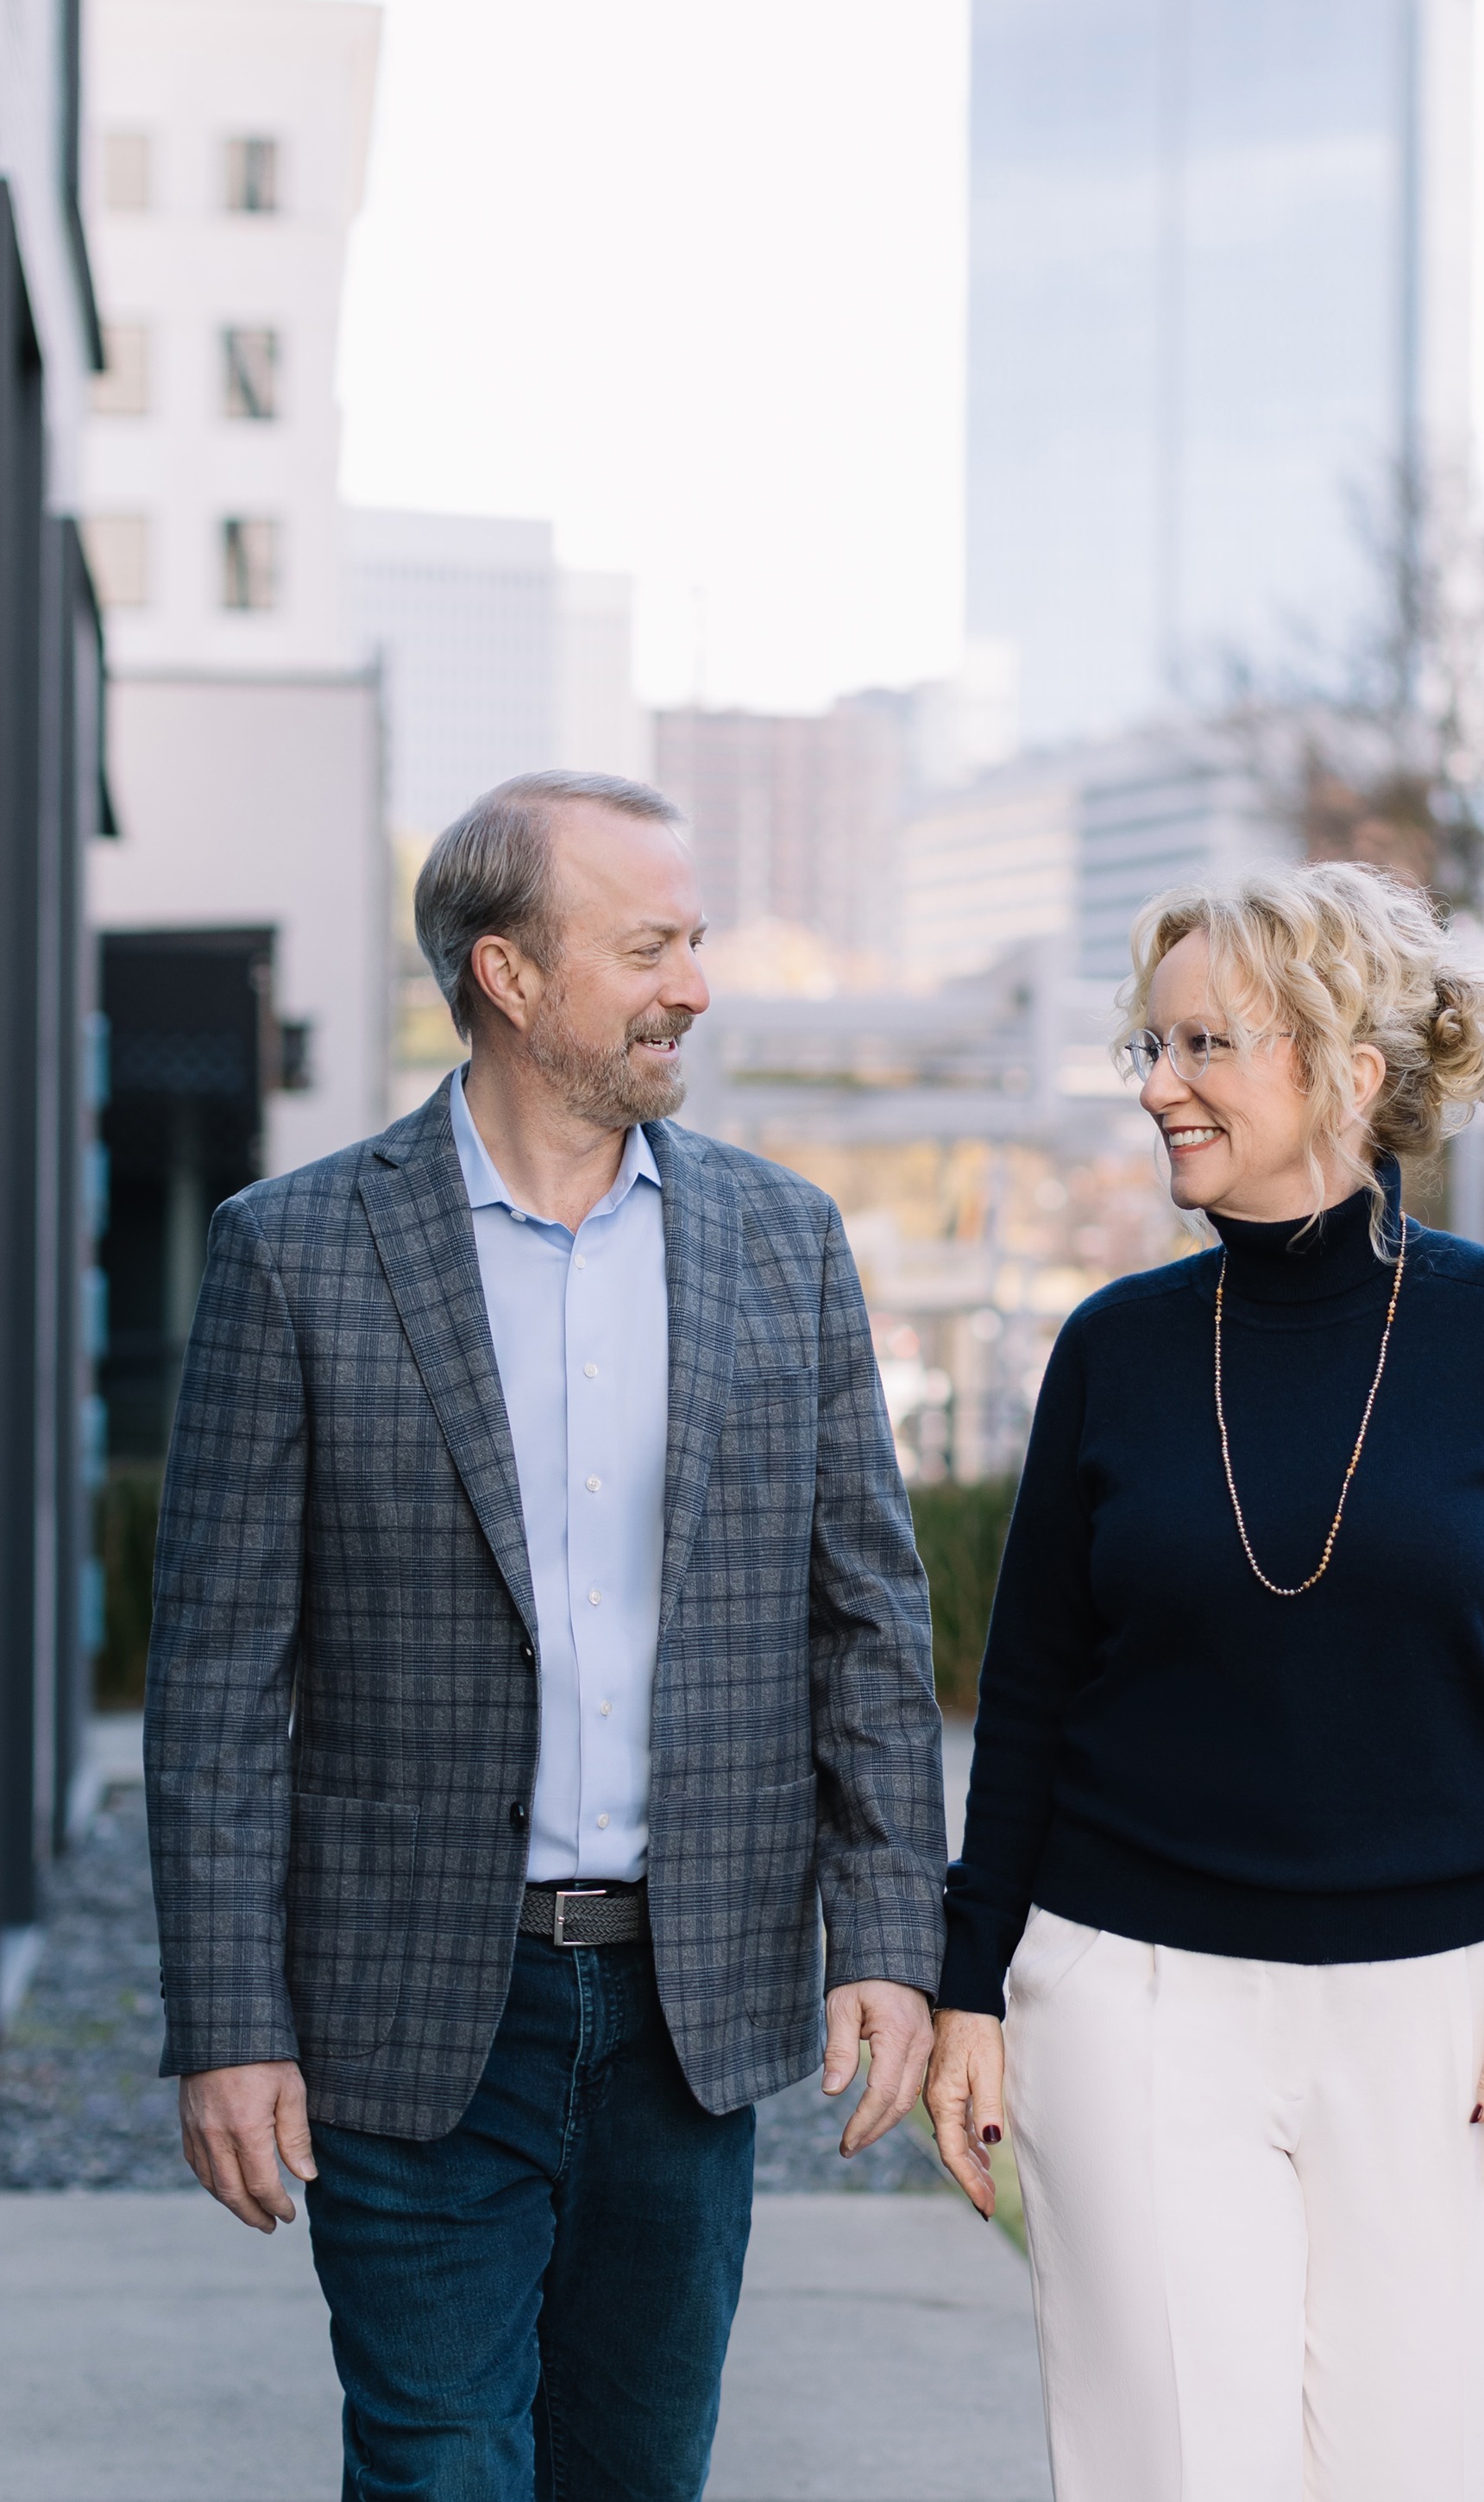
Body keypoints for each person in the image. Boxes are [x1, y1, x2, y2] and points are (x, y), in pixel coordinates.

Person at [145, 770, 946, 2502]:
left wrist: (890, 1928)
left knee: (634, 2469)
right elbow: (215, 1685)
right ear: (508, 975)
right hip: (415, 2005)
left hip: (694, 1996)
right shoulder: (293, 1255)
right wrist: (227, 2016)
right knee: (437, 2464)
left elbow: (866, 1614)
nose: (695, 984)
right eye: (651, 943)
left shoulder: (779, 1244)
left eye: (696, 940)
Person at [924, 860, 1484, 2502]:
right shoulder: (1111, 1347)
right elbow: (1027, 1691)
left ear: (1349, 1068)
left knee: (1410, 2470)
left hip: (1439, 2010)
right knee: (1175, 2471)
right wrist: (971, 1981)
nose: (1161, 1087)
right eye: (1150, 1047)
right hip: (1132, 1999)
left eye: (1204, 1045)